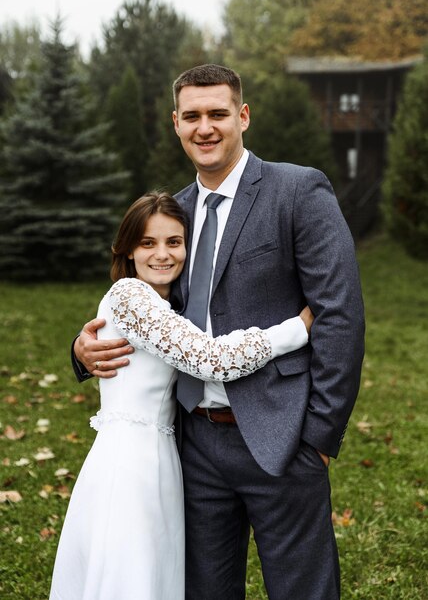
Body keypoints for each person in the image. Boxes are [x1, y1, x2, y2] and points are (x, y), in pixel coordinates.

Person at [73, 64, 365, 599]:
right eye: (192, 116)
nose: (205, 127)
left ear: (243, 116)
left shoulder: (299, 191)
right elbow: (138, 301)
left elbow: (340, 313)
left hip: (282, 437)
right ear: (176, 124)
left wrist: (319, 438)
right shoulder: (173, 214)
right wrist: (81, 347)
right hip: (192, 445)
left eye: (218, 114)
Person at [52, 191, 313, 600]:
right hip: (130, 466)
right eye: (148, 243)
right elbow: (210, 360)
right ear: (127, 249)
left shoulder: (164, 303)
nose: (163, 254)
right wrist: (298, 328)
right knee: (130, 578)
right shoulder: (130, 296)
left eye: (174, 242)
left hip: (161, 457)